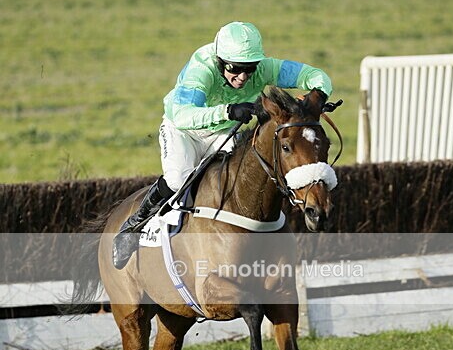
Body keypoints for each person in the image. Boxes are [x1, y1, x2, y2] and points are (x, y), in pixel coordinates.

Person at [113, 21, 333, 268]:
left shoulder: (265, 68)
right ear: (219, 60)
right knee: (178, 178)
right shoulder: (202, 68)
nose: (243, 77)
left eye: (249, 69)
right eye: (235, 69)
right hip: (184, 132)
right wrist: (227, 111)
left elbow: (316, 76)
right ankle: (134, 225)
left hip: (223, 132)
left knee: (245, 169)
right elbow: (182, 114)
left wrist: (315, 99)